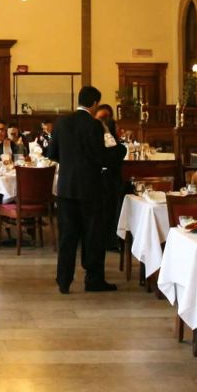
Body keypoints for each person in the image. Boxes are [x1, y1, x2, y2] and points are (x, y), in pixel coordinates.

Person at [47, 86, 125, 294]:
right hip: (90, 188)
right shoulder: (94, 125)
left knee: (67, 237)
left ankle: (64, 280)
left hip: (66, 188)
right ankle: (93, 280)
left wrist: (70, 162)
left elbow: (51, 153)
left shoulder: (62, 122)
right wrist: (121, 150)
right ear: (95, 103)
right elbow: (102, 158)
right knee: (93, 236)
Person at [93, 103, 127, 252]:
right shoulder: (118, 149)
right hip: (106, 182)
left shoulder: (117, 148)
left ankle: (107, 239)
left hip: (106, 182)